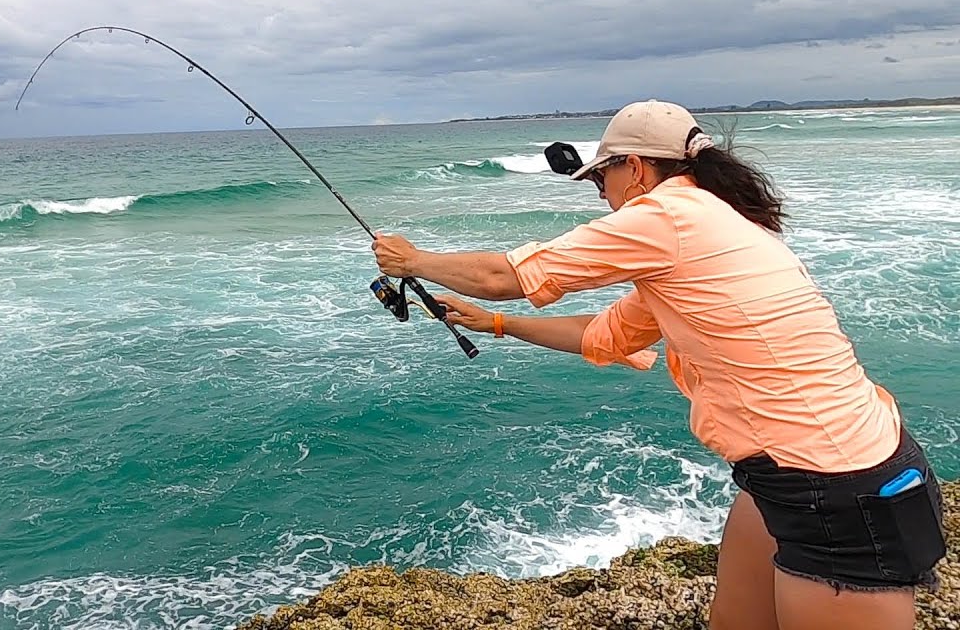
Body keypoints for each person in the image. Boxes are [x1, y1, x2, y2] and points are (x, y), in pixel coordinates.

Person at [371, 99, 946, 630]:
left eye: (602, 175)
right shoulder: (706, 229)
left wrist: (412, 258)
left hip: (840, 486)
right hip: (792, 470)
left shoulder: (666, 219)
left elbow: (507, 276)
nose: (599, 192)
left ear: (638, 169)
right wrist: (494, 324)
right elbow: (604, 335)